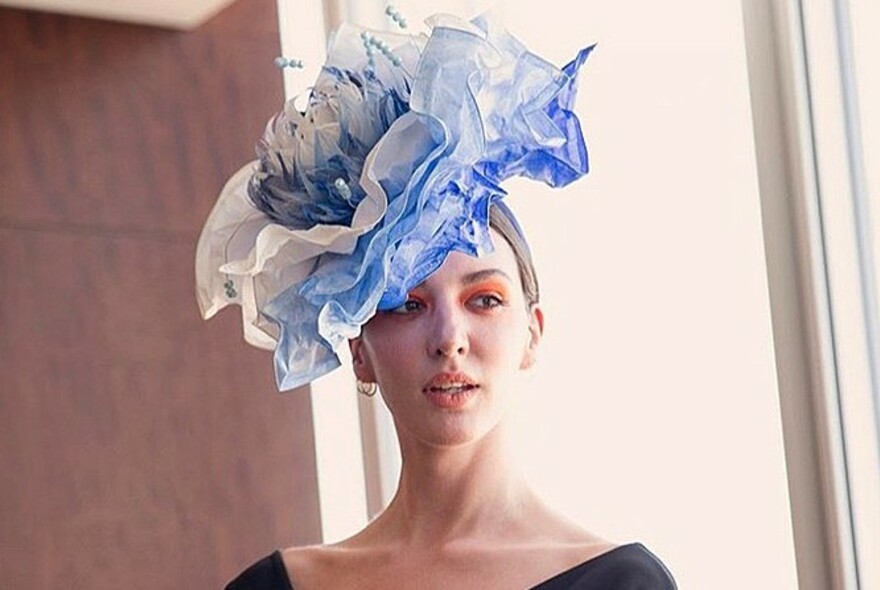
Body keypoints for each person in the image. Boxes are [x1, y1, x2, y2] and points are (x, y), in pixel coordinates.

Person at [196, 10, 678, 589]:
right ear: (359, 349)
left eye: (485, 300)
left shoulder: (620, 583)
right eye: (406, 303)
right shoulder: (276, 588)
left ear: (533, 333)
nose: (449, 337)